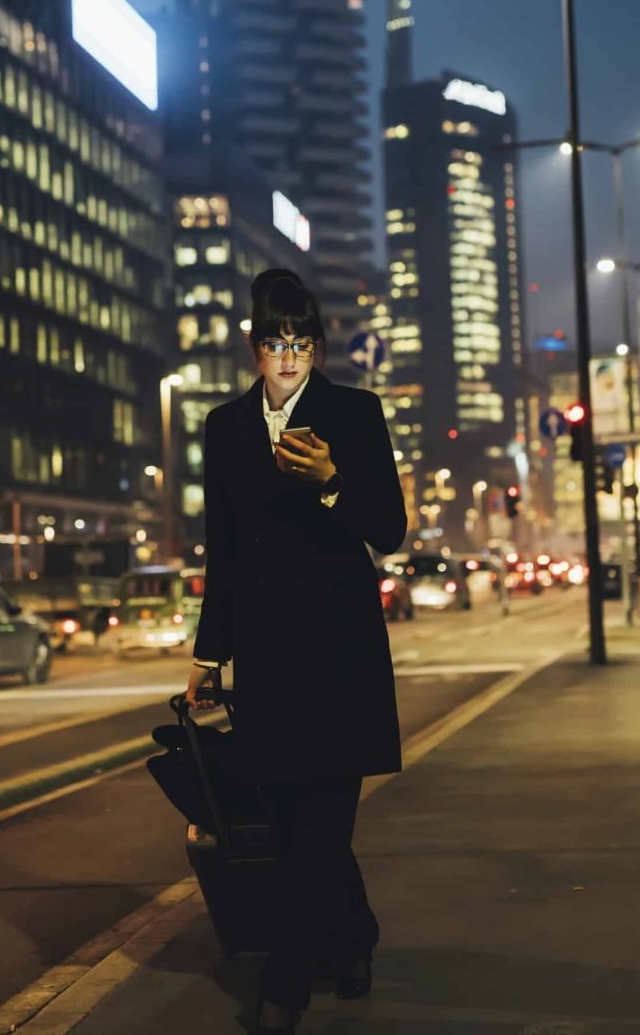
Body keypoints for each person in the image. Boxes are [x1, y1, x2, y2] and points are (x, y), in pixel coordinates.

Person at [184, 269, 406, 1034]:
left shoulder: (353, 412)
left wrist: (333, 480)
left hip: (341, 649)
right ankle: (354, 939)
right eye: (276, 344)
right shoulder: (226, 427)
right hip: (268, 655)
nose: (289, 359)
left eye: (302, 344)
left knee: (321, 820)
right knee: (291, 821)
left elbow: (392, 528)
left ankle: (284, 989)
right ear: (254, 346)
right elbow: (225, 550)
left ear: (316, 347)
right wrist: (208, 656)